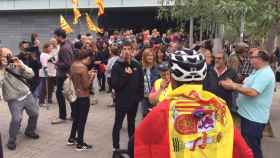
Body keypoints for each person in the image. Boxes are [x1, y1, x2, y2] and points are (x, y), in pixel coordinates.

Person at [134, 48, 253, 158]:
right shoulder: (219, 107)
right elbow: (242, 151)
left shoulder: (163, 110)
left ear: (173, 79)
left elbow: (139, 146)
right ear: (202, 79)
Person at [220, 49, 275, 158]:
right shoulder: (258, 71)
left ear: (260, 59)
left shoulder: (265, 74)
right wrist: (233, 83)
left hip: (254, 119)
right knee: (249, 147)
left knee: (252, 149)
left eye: (252, 58)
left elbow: (253, 92)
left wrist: (233, 86)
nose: (249, 60)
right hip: (249, 117)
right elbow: (246, 86)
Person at [0, 48, 39, 150]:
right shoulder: (1, 69)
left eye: (10, 55)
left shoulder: (16, 63)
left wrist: (22, 66)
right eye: (5, 56)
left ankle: (30, 131)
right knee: (17, 119)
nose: (9, 58)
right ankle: (11, 140)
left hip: (27, 94)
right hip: (14, 99)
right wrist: (2, 69)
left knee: (34, 113)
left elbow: (31, 75)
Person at [111, 41, 144, 158]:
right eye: (124, 49)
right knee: (118, 125)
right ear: (121, 51)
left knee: (131, 124)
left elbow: (141, 82)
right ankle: (116, 147)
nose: (126, 51)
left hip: (133, 102)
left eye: (129, 49)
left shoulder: (137, 65)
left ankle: (132, 147)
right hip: (121, 101)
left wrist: (139, 97)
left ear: (132, 50)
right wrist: (126, 76)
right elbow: (115, 85)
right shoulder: (117, 65)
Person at [68, 50, 96, 151]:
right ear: (87, 58)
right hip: (83, 97)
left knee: (76, 118)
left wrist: (87, 74)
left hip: (74, 96)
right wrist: (91, 77)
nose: (90, 63)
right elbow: (86, 86)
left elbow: (76, 78)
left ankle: (71, 138)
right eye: (90, 60)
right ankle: (80, 144)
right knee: (82, 121)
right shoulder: (83, 68)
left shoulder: (73, 65)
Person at [52, 28, 74, 124]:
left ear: (60, 36)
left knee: (61, 94)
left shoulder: (64, 48)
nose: (54, 38)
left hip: (63, 75)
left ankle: (62, 116)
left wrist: (56, 63)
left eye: (55, 36)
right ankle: (74, 114)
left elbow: (67, 63)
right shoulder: (68, 43)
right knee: (69, 94)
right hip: (66, 74)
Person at [141, 48, 160, 117]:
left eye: (151, 55)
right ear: (144, 57)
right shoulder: (141, 69)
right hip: (144, 97)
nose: (150, 57)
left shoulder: (158, 68)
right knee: (145, 115)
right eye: (148, 55)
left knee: (154, 116)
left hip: (155, 97)